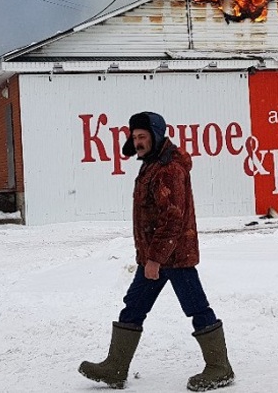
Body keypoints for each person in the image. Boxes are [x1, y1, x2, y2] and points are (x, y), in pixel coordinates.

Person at [79, 111, 234, 391]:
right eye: (134, 137)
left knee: (196, 307)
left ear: (156, 135)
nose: (137, 142)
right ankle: (115, 367)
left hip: (173, 258)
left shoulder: (168, 169)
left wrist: (154, 259)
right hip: (157, 256)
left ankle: (219, 368)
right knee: (134, 306)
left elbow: (172, 218)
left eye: (142, 136)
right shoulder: (152, 164)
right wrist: (151, 258)